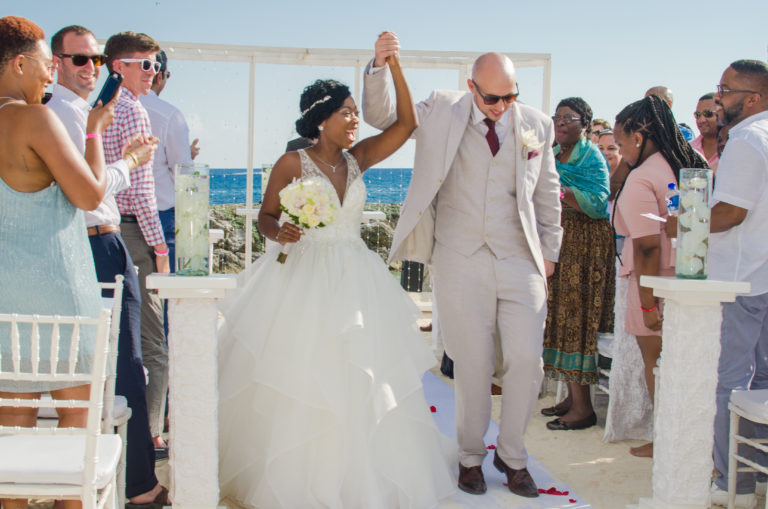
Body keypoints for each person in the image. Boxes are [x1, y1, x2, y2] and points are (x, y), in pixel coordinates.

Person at [217, 44, 456, 508]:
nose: (354, 121)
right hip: (301, 278)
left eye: (354, 113)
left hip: (354, 277)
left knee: (362, 373)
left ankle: (363, 478)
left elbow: (407, 124)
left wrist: (395, 66)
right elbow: (265, 217)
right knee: (303, 374)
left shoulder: (358, 159)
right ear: (320, 119)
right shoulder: (291, 164)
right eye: (346, 113)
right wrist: (280, 230)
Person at [364, 33, 562, 498]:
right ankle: (471, 456)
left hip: (521, 258)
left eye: (510, 96)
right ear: (472, 87)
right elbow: (381, 116)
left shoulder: (538, 124)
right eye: (492, 97)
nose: (501, 105)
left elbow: (547, 193)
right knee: (472, 362)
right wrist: (380, 67)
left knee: (527, 361)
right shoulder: (439, 109)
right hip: (459, 256)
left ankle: (512, 456)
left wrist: (549, 255)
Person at [47, 25, 168, 506]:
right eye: (79, 59)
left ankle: (119, 479)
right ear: (53, 62)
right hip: (97, 241)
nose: (89, 67)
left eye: (94, 59)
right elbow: (92, 189)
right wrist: (134, 160)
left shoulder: (83, 111)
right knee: (125, 363)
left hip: (99, 239)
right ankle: (138, 486)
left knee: (114, 364)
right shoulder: (61, 115)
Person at [0, 16, 109, 509]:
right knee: (74, 434)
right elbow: (90, 194)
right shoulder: (35, 119)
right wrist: (94, 133)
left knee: (11, 444)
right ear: (20, 63)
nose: (49, 77)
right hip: (61, 297)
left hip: (8, 305)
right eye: (46, 66)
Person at [613, 94, 707, 458]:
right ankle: (688, 435)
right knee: (684, 363)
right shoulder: (685, 164)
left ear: (638, 136)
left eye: (621, 143)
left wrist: (649, 305)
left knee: (658, 364)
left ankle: (667, 439)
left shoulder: (642, 178)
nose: (619, 152)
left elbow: (648, 246)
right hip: (688, 274)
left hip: (651, 281)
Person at [103, 31, 171, 456]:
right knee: (153, 343)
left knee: (115, 336)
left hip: (104, 230)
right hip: (132, 231)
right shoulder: (136, 113)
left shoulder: (100, 109)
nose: (153, 72)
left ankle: (116, 428)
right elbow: (143, 194)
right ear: (118, 67)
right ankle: (150, 436)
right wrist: (160, 249)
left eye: (156, 64)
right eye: (144, 64)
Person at [704, 59, 768, 508]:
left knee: (730, 382)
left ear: (754, 97)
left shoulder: (747, 139)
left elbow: (730, 212)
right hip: (763, 276)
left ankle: (734, 482)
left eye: (725, 89)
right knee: (762, 381)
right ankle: (757, 474)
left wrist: (680, 227)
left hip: (740, 279)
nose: (717, 98)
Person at [541, 97, 613, 431]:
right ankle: (572, 398)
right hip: (561, 242)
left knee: (577, 319)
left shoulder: (591, 156)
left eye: (569, 118)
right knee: (560, 316)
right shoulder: (554, 154)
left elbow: (599, 203)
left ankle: (584, 409)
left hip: (585, 247)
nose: (561, 123)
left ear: (586, 122)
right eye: (557, 117)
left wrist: (560, 191)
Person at [140, 49, 200, 273]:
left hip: (117, 218)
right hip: (161, 215)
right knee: (165, 292)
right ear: (159, 75)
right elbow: (183, 173)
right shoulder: (168, 114)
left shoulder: (105, 108)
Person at [689, 92, 720, 171]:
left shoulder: (732, 147)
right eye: (698, 115)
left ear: (721, 113)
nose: (701, 120)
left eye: (708, 114)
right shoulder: (688, 150)